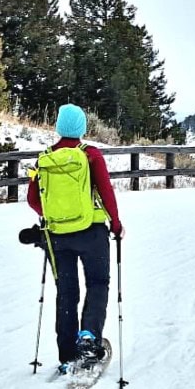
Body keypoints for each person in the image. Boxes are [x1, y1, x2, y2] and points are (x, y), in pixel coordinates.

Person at [26, 103, 124, 374]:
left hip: (57, 236)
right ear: (82, 128)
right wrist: (115, 223)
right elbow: (106, 191)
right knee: (98, 283)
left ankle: (67, 354)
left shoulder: (43, 158)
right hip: (92, 231)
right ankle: (89, 337)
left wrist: (54, 216)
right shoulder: (90, 154)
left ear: (58, 127)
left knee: (66, 293)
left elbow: (33, 199)